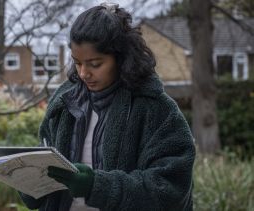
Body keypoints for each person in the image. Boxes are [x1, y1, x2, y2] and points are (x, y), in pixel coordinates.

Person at [19, 2, 196, 211]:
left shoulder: (157, 109)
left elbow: (171, 190)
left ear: (121, 58)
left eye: (95, 64)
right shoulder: (62, 104)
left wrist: (96, 186)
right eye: (77, 63)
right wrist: (29, 183)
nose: (84, 73)